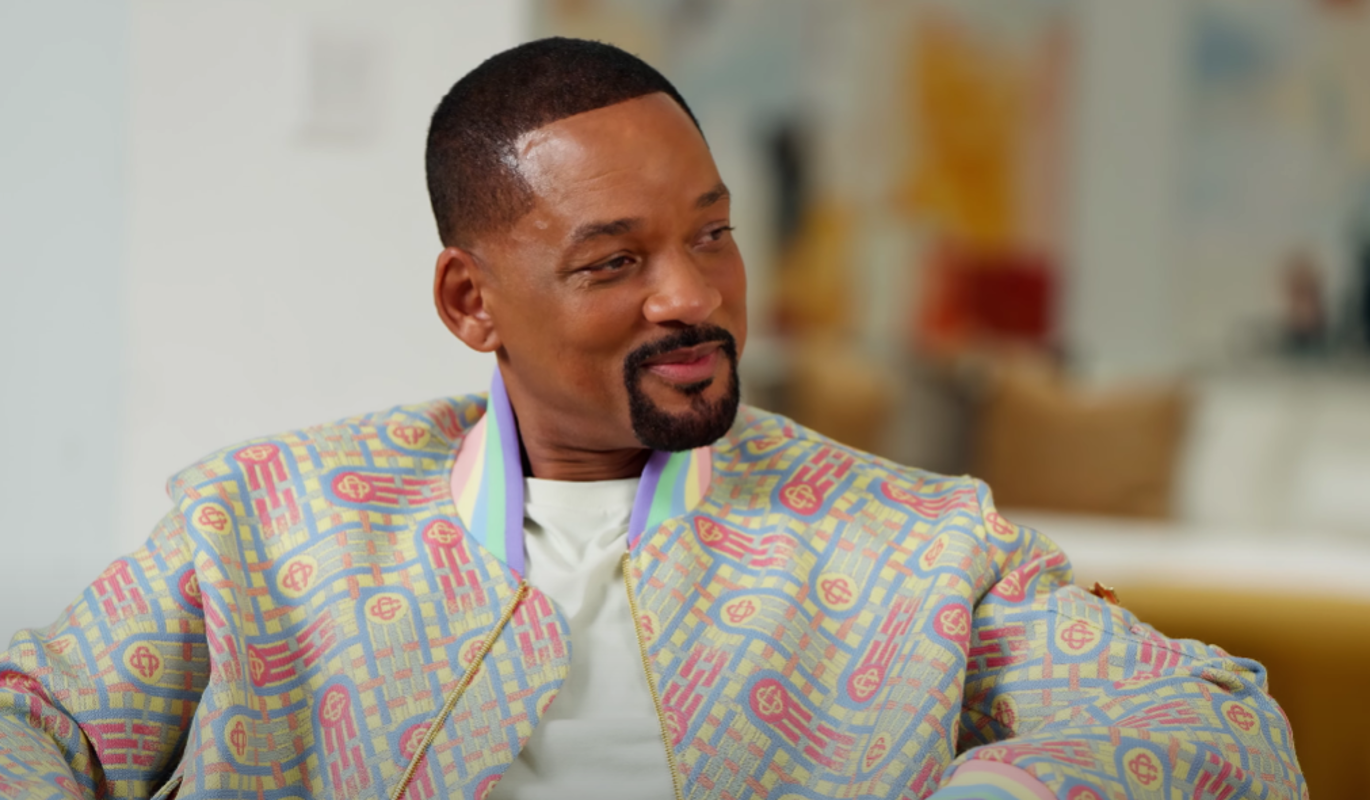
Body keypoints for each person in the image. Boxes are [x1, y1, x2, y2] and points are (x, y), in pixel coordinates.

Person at [0, 38, 1302, 800]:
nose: (693, 296)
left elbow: (1221, 729)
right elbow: (37, 716)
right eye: (614, 261)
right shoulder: (266, 523)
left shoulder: (916, 546)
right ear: (470, 302)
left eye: (713, 234)